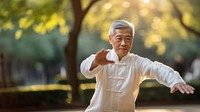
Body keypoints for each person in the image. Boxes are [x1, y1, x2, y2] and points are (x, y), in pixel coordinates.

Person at [80, 20, 195, 112]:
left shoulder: (137, 62)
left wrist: (175, 80)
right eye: (119, 38)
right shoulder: (101, 58)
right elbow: (85, 69)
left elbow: (156, 68)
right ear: (110, 39)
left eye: (128, 38)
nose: (124, 43)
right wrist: (95, 62)